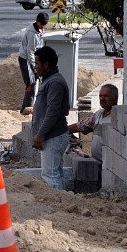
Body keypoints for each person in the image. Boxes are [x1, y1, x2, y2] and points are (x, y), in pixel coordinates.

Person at [32, 46, 71, 190]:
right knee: (55, 174)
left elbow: (52, 112)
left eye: (37, 63)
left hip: (53, 137)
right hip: (53, 136)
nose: (35, 67)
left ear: (46, 64)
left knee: (51, 177)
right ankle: (62, 206)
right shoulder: (50, 80)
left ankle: (58, 210)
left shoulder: (54, 82)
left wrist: (40, 135)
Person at [68, 84, 118, 161]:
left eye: (106, 96)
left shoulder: (117, 118)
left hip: (110, 164)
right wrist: (63, 130)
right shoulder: (98, 114)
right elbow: (81, 125)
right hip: (96, 163)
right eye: (100, 96)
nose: (102, 99)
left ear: (115, 99)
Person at [19, 12, 48, 114]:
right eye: (41, 25)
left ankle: (25, 107)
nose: (43, 27)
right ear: (37, 21)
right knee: (30, 83)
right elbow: (30, 52)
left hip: (34, 58)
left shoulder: (40, 29)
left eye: (44, 25)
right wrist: (35, 67)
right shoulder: (32, 34)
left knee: (34, 82)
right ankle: (27, 108)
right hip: (25, 59)